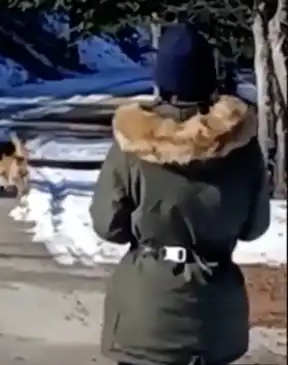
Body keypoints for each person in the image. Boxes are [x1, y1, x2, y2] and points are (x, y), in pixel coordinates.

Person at [90, 22, 271, 365]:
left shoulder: (134, 145)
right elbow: (255, 226)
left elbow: (107, 225)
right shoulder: (241, 146)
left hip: (145, 312)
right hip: (215, 318)